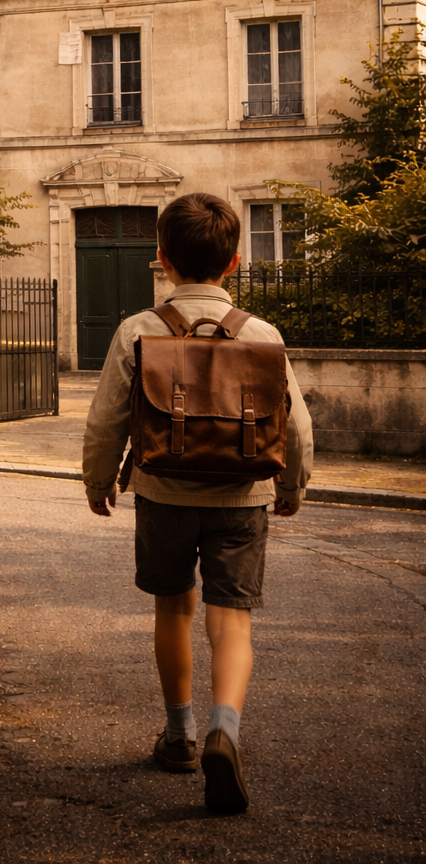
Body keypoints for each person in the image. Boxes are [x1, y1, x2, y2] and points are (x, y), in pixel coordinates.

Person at [81, 192, 313, 813]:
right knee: (231, 619)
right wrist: (291, 486)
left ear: (162, 259)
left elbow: (108, 420)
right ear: (234, 263)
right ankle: (224, 731)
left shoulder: (138, 329)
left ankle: (179, 734)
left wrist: (98, 480)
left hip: (162, 491)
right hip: (242, 498)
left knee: (174, 609)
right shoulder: (261, 334)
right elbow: (296, 426)